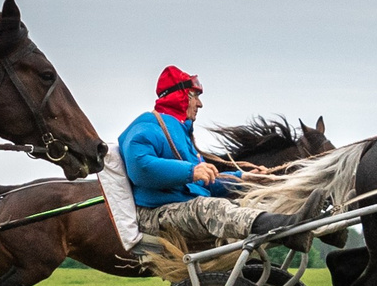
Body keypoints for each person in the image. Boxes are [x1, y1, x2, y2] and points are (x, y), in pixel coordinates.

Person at [117, 65, 300, 250]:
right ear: (181, 97)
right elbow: (140, 167)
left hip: (180, 209)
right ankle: (290, 229)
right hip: (155, 215)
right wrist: (191, 171)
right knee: (212, 209)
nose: (200, 104)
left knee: (240, 205)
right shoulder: (147, 126)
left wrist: (242, 179)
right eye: (194, 96)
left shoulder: (181, 133)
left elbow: (204, 183)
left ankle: (288, 228)